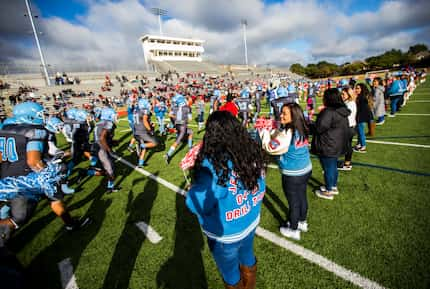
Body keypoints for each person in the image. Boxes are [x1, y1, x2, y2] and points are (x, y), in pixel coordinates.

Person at [186, 111, 267, 289]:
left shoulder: (213, 165)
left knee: (230, 273)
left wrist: (192, 190)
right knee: (247, 257)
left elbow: (199, 204)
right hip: (250, 220)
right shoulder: (252, 153)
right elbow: (261, 186)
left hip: (226, 234)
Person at [0, 102, 89, 246]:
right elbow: (33, 161)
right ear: (28, 116)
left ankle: (71, 223)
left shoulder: (5, 129)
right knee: (20, 217)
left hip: (8, 176)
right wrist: (48, 172)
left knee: (54, 198)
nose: (42, 117)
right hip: (27, 179)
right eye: (39, 114)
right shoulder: (35, 131)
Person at [260, 103, 312, 240]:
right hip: (306, 168)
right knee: (302, 197)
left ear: (293, 116)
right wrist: (273, 130)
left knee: (294, 202)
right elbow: (282, 137)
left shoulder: (288, 133)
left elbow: (270, 147)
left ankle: (293, 229)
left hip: (293, 173)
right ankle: (302, 222)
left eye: (284, 113)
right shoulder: (301, 127)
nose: (281, 115)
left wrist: (264, 131)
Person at [312, 88, 350, 200]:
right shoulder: (342, 110)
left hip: (328, 144)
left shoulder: (329, 112)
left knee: (328, 168)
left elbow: (319, 128)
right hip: (337, 143)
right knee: (333, 167)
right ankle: (332, 186)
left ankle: (329, 191)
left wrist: (310, 124)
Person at [133, 98, 158, 167]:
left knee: (145, 146)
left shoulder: (136, 110)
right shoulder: (144, 110)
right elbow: (144, 120)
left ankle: (140, 163)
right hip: (142, 132)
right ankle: (140, 146)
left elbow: (140, 120)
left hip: (136, 131)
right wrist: (150, 130)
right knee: (155, 143)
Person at [338, 87, 357, 171]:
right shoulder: (348, 102)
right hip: (349, 127)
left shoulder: (350, 104)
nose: (341, 95)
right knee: (347, 145)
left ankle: (347, 164)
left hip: (348, 127)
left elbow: (346, 116)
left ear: (349, 94)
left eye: (343, 94)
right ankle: (347, 163)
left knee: (348, 146)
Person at [354, 83, 372, 153]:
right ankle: (359, 144)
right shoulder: (361, 96)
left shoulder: (362, 98)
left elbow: (362, 109)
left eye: (358, 88)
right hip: (360, 116)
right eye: (356, 88)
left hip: (361, 117)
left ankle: (363, 146)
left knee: (361, 132)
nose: (356, 90)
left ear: (362, 89)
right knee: (359, 131)